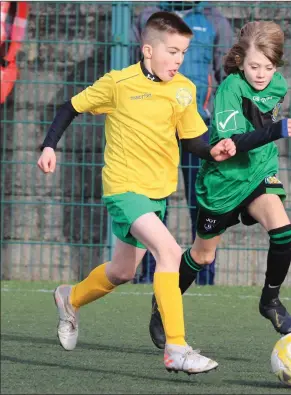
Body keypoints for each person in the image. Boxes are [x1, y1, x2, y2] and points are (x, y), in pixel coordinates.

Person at [37, 11, 237, 374]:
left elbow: (192, 139)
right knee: (170, 251)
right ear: (147, 49)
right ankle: (176, 347)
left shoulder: (184, 90)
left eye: (183, 52)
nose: (178, 60)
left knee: (122, 271)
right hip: (124, 189)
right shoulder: (118, 83)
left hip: (158, 193)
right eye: (172, 51)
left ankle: (70, 298)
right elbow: (71, 107)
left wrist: (214, 150)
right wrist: (49, 146)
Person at [148, 20, 291, 350]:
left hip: (257, 173)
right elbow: (237, 139)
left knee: (283, 230)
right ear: (240, 61)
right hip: (223, 183)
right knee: (203, 256)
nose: (261, 74)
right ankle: (163, 305)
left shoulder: (279, 86)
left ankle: (270, 301)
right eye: (254, 66)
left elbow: (260, 127)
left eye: (268, 67)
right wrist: (274, 132)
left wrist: (268, 136)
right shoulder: (230, 89)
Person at [130, 1, 233, 285]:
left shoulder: (215, 20)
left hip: (198, 126)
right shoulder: (148, 17)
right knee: (152, 200)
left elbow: (227, 75)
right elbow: (131, 69)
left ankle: (203, 275)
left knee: (202, 201)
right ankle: (151, 272)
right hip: (154, 128)